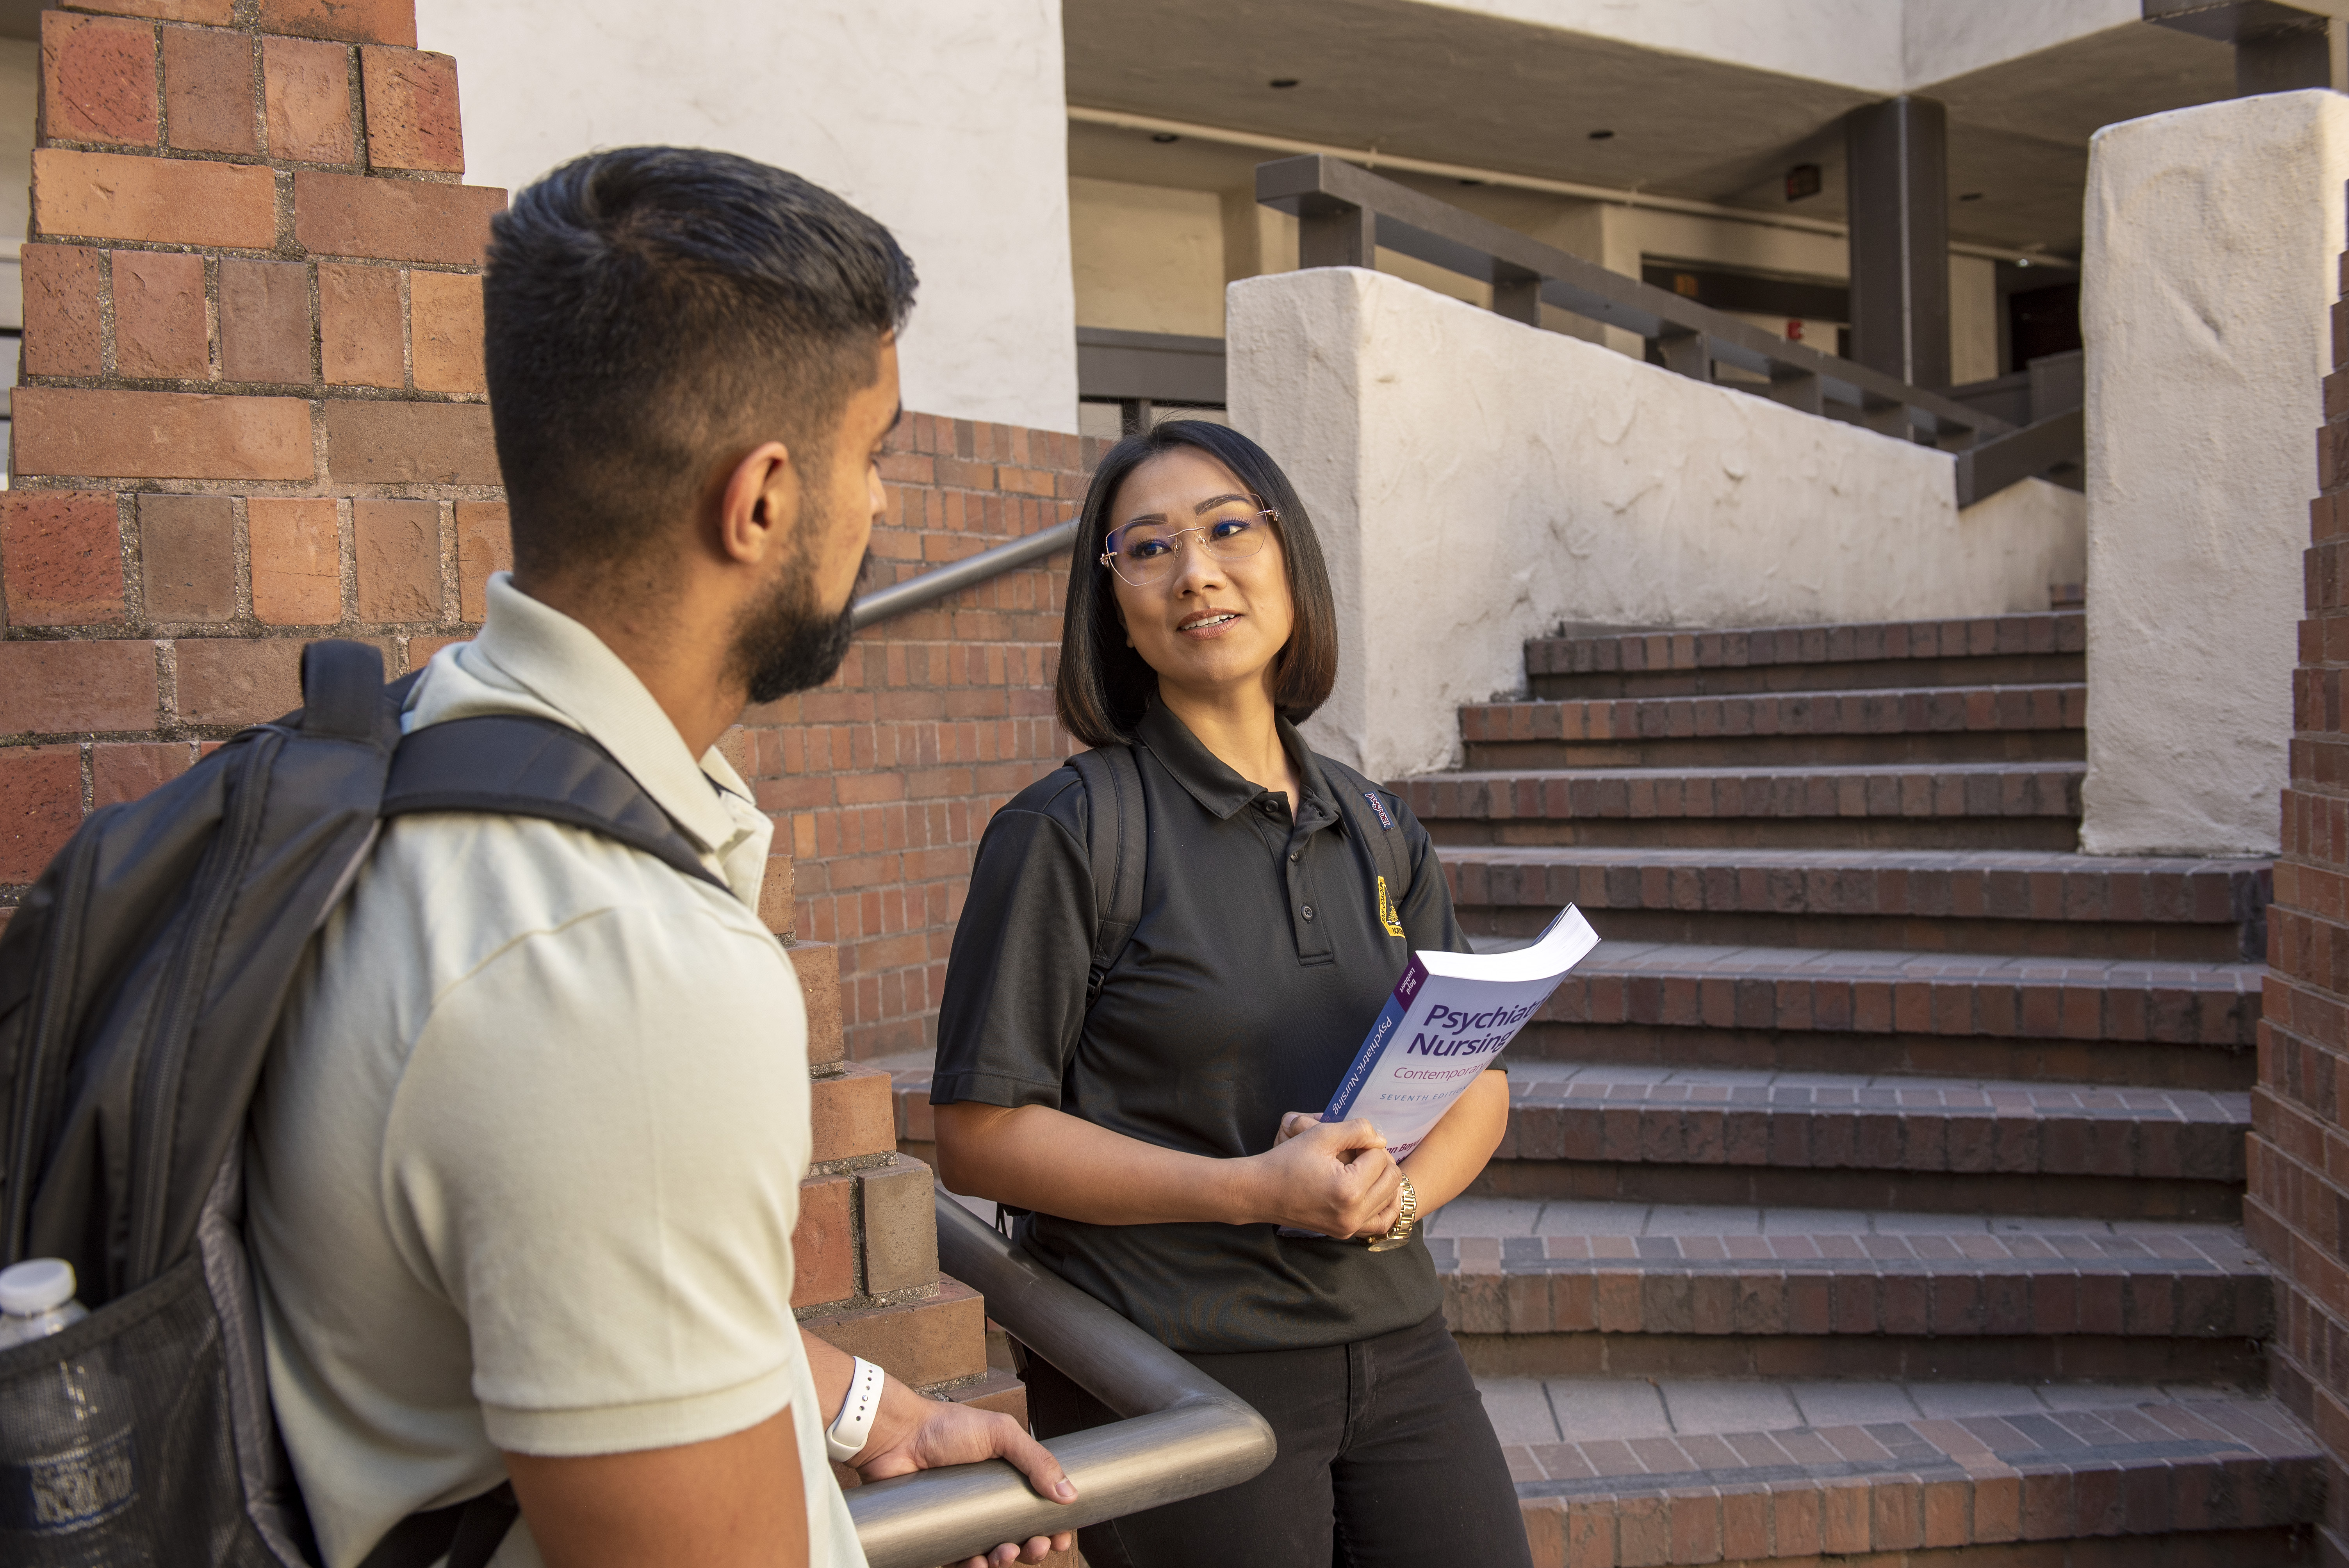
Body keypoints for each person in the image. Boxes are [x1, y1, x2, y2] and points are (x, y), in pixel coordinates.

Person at [244, 148, 1075, 1568]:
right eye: (874, 455)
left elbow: (554, 1291)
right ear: (761, 502)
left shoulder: (420, 741)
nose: (884, 507)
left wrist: (864, 1409)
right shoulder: (619, 976)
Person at [929, 420, 1534, 1566]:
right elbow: (978, 1136)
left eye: (1226, 530)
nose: (1196, 572)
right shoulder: (1068, 832)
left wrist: (1396, 1201)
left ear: (1289, 559)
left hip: (1400, 1347)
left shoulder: (1376, 824)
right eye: (1149, 548)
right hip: (1174, 1372)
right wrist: (1252, 1190)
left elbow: (1480, 1081)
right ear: (1113, 606)